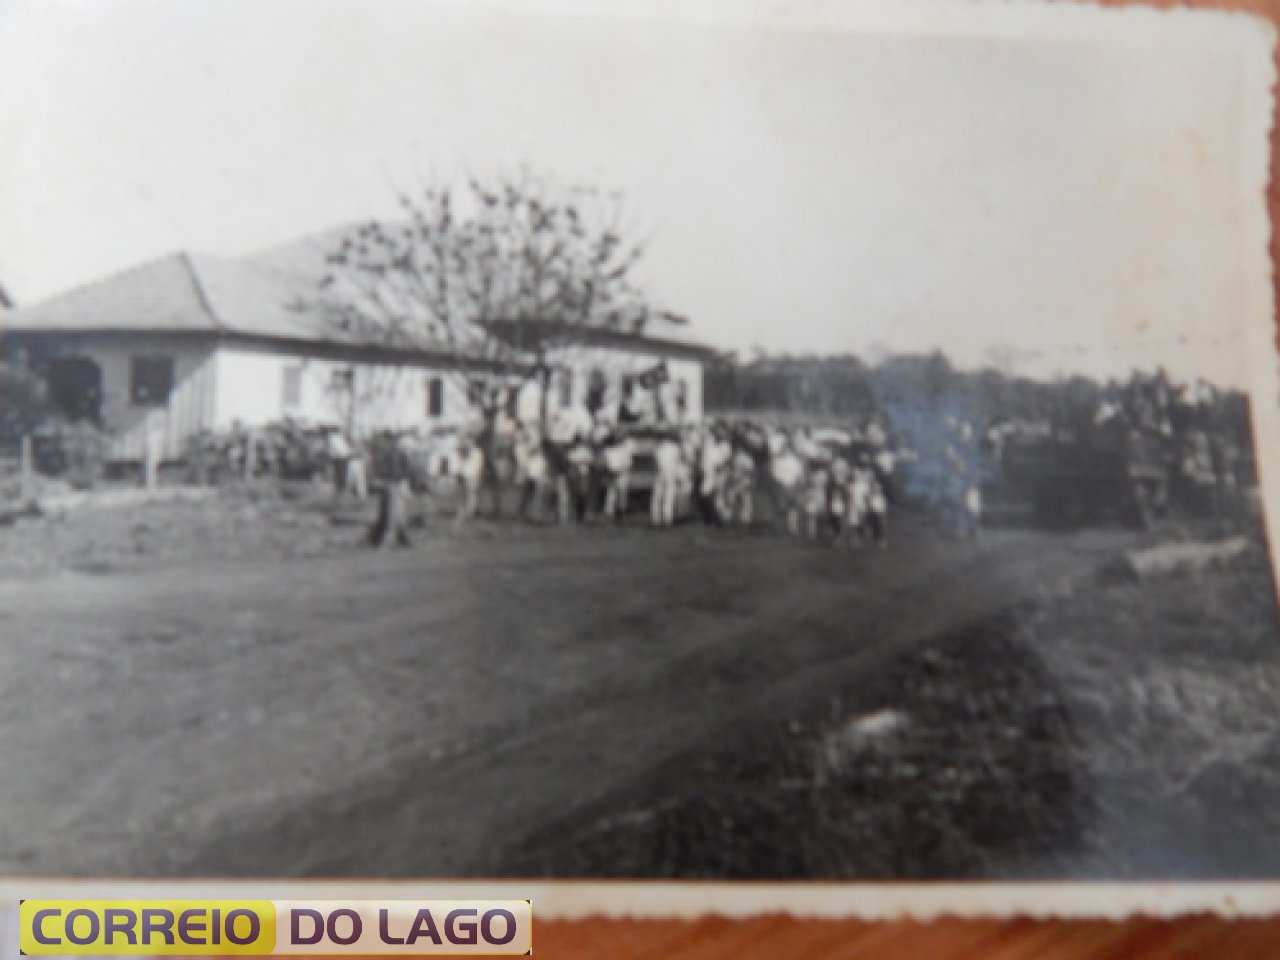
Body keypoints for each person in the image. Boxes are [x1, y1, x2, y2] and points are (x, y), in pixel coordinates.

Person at [651, 431, 684, 527]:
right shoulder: (674, 448)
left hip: (662, 472)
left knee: (658, 495)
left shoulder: (658, 448)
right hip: (668, 472)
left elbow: (656, 462)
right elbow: (678, 461)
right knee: (667, 495)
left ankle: (657, 518)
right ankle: (666, 518)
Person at [453, 437, 485, 532]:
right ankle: (461, 518)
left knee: (471, 497)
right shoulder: (462, 452)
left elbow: (479, 467)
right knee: (465, 499)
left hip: (471, 476)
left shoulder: (477, 453)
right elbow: (458, 464)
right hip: (465, 476)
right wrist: (459, 474)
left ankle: (465, 517)